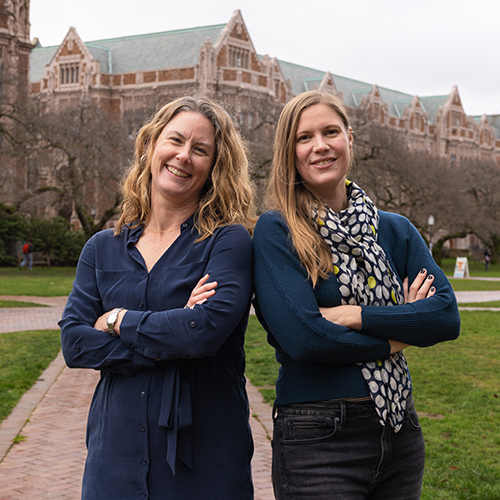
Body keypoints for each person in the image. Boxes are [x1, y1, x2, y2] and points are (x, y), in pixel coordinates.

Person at [252, 90, 461, 500]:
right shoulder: (277, 231)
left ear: (350, 138)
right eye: (304, 137)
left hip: (400, 428)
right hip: (319, 436)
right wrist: (404, 328)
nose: (320, 146)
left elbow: (445, 317)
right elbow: (305, 339)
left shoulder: (396, 229)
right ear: (289, 152)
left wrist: (351, 314)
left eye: (330, 132)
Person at [59, 96, 255, 500]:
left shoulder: (228, 242)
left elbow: (201, 333)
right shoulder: (101, 248)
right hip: (113, 460)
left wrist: (117, 321)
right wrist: (171, 334)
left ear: (214, 167)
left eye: (200, 150)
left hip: (205, 463)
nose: (184, 156)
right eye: (176, 140)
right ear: (151, 145)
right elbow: (75, 344)